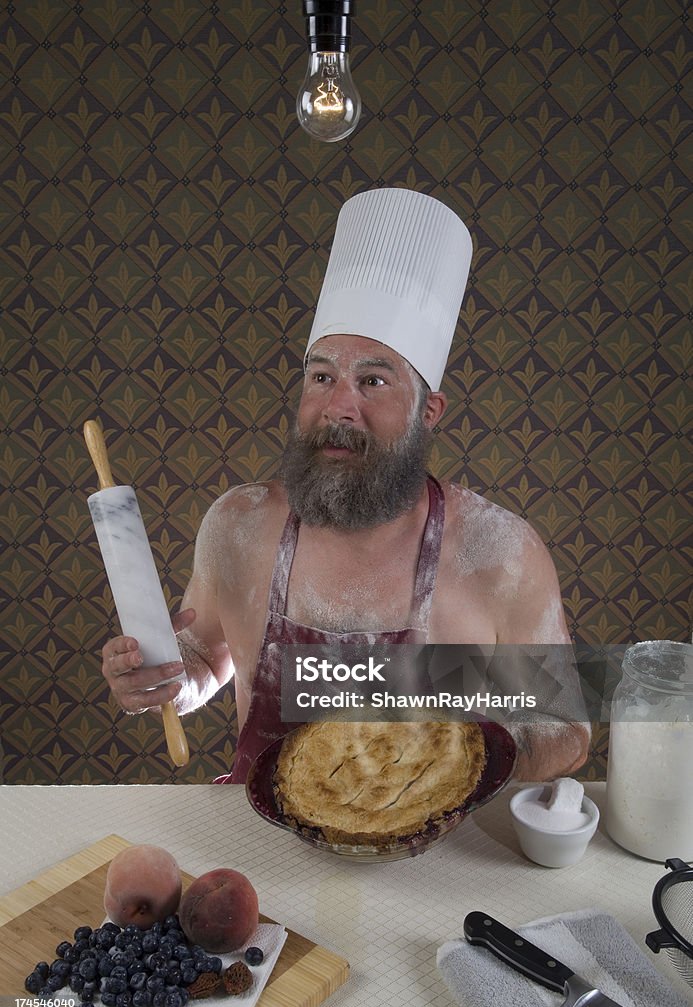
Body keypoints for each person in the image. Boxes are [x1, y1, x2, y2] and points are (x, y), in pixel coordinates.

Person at [101, 188, 590, 783]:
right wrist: (161, 678)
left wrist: (447, 747)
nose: (339, 406)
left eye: (374, 381)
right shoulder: (238, 526)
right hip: (269, 846)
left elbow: (563, 734)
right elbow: (203, 661)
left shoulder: (500, 554)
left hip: (431, 853)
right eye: (322, 375)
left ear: (428, 410)